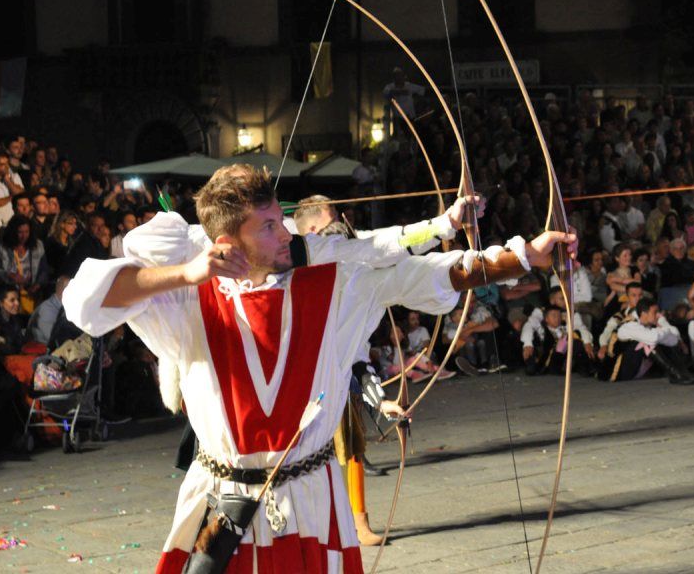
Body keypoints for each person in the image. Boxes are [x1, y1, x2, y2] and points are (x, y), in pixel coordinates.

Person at [62, 164, 576, 572]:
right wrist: (188, 270)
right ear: (226, 243)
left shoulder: (336, 285)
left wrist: (523, 257)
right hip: (222, 501)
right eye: (267, 227)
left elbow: (426, 273)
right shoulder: (187, 295)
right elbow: (85, 300)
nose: (285, 233)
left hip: (310, 495)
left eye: (280, 220)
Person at [612, 297, 694, 384]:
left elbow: (673, 339)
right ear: (644, 314)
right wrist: (664, 330)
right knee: (647, 343)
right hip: (620, 373)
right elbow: (653, 338)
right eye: (655, 312)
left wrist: (662, 324)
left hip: (639, 368)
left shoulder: (650, 321)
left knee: (662, 340)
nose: (658, 315)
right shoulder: (629, 325)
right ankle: (674, 373)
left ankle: (683, 371)